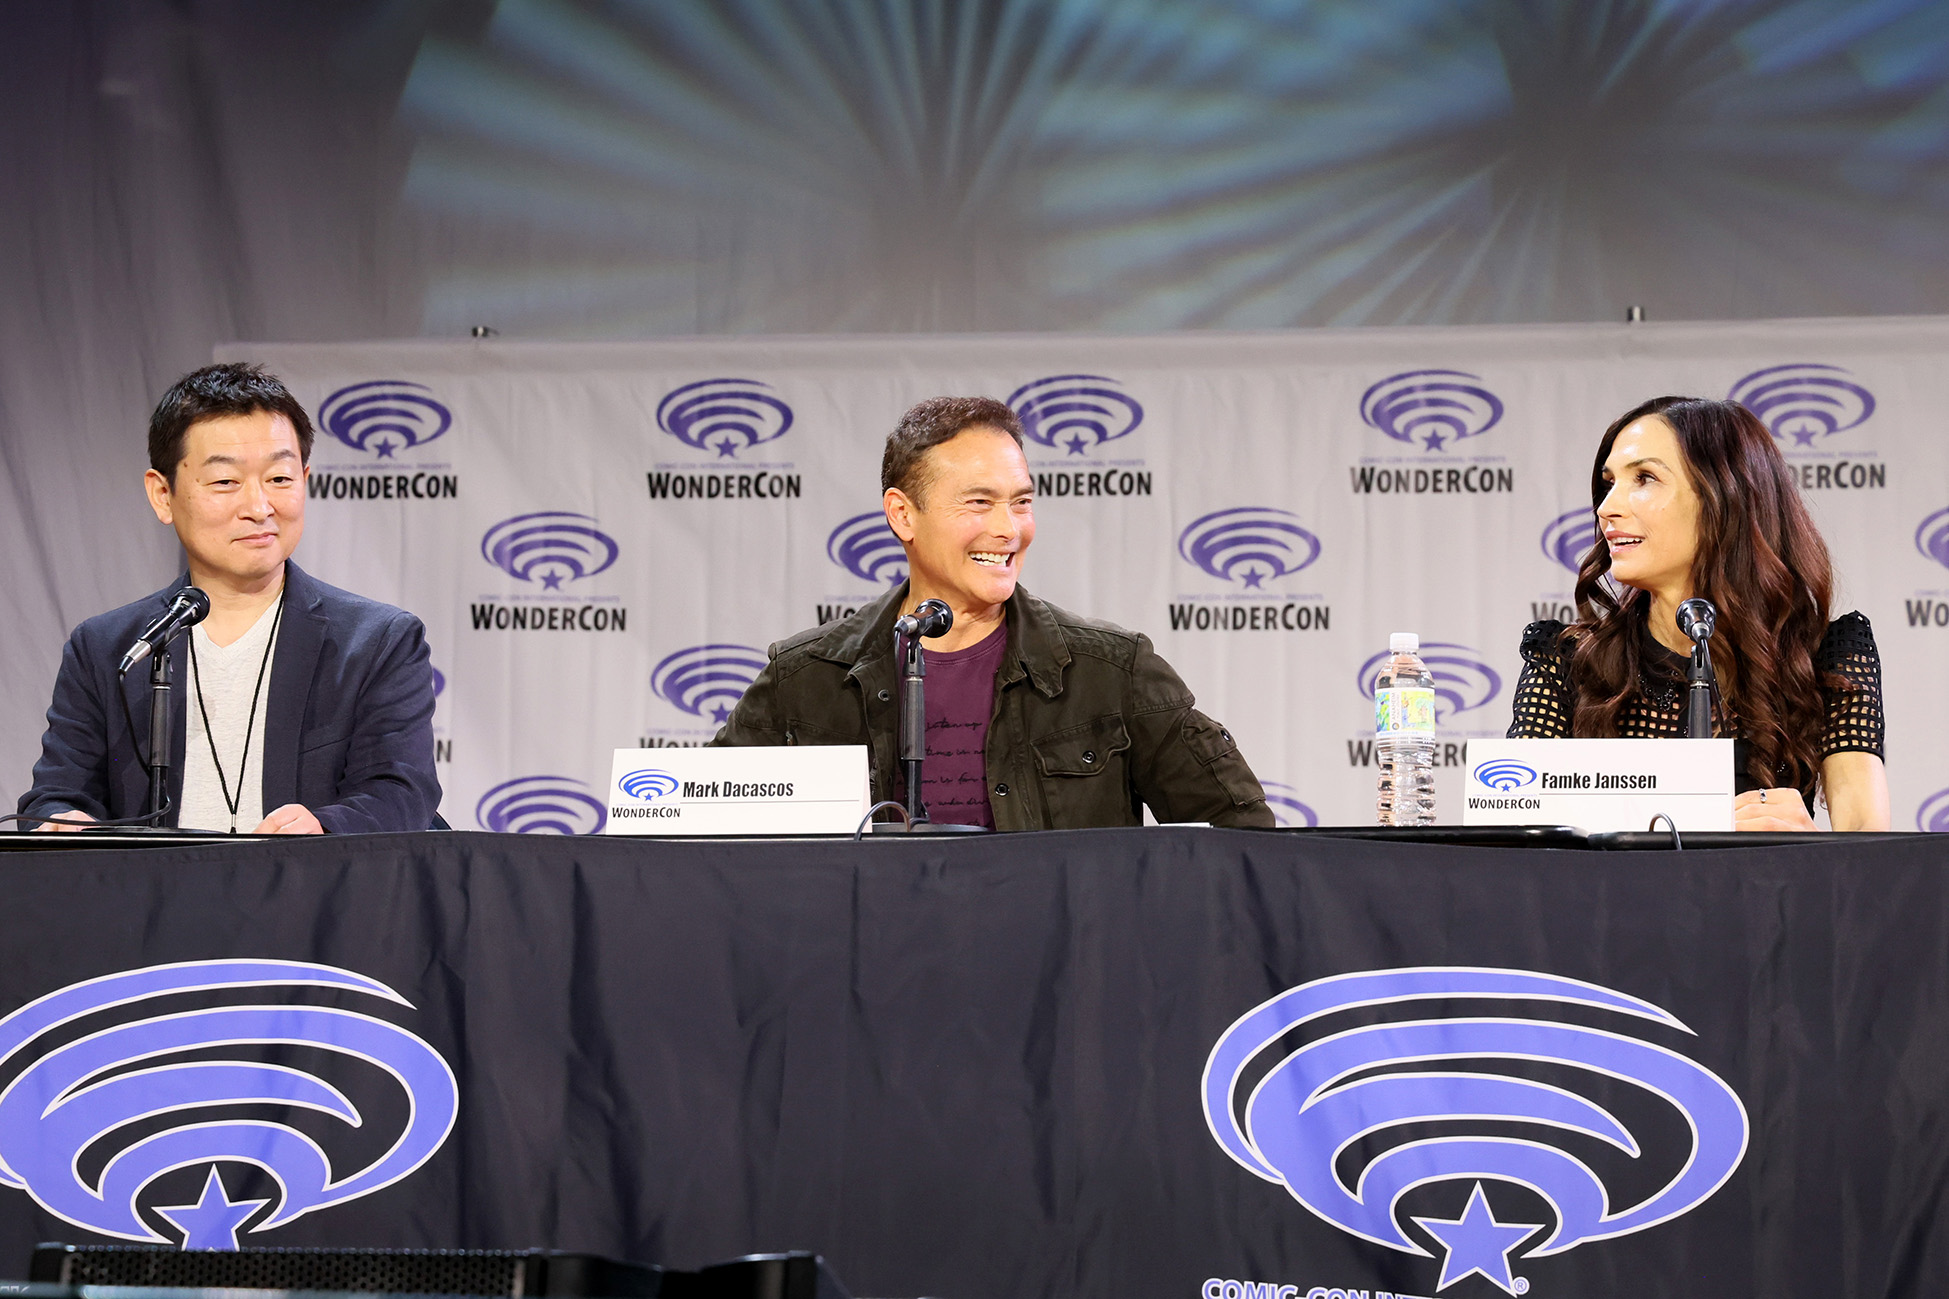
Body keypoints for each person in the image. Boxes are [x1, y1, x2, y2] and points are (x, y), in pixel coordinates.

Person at [712, 396, 1272, 829]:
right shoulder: (804, 678)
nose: (1009, 529)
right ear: (903, 516)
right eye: (979, 502)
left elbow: (1241, 837)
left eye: (1021, 501)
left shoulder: (1114, 670)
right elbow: (696, 837)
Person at [18, 363, 441, 834]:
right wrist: (59, 821)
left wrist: (323, 827)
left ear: (305, 479)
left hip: (310, 898)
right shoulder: (108, 647)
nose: (259, 507)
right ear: (163, 495)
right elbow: (58, 792)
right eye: (225, 482)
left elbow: (401, 791)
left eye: (280, 479)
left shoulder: (377, 641)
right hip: (152, 905)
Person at [1507, 395, 1887, 831]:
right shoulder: (1566, 660)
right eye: (1609, 483)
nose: (1606, 507)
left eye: (1645, 478)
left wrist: (1805, 849)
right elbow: (1519, 833)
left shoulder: (1824, 657)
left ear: (1724, 498)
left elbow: (1866, 850)